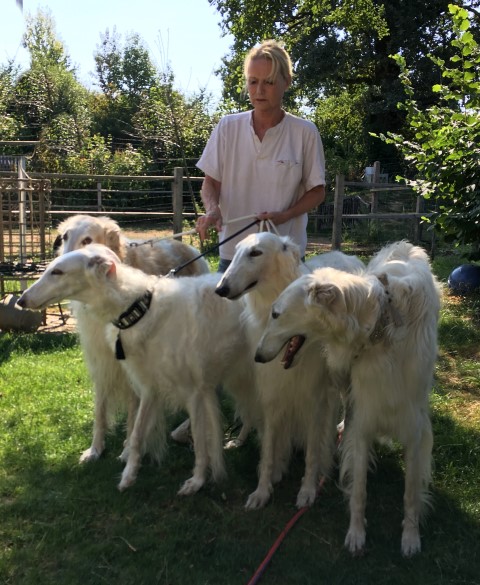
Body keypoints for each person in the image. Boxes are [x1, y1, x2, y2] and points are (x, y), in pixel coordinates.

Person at [195, 39, 326, 272]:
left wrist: (285, 216)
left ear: (286, 82)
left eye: (269, 82)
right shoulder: (227, 127)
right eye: (253, 81)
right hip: (234, 255)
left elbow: (317, 191)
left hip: (284, 257)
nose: (259, 90)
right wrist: (213, 210)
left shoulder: (305, 132)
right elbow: (211, 183)